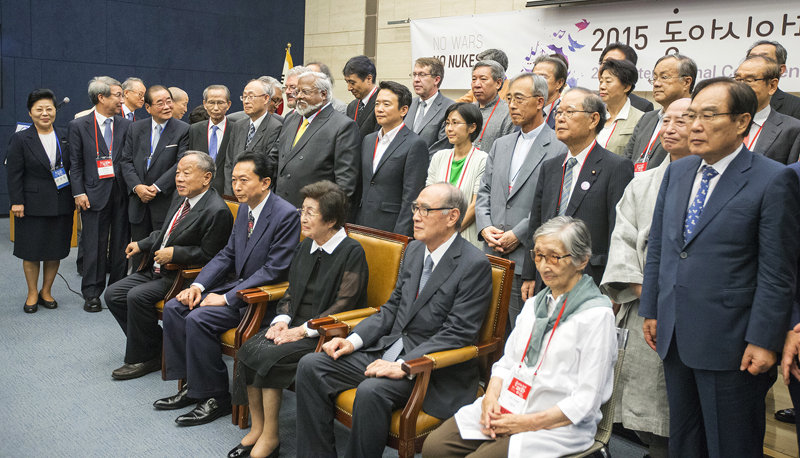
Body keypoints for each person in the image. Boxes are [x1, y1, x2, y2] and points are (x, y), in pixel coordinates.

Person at [639, 77, 800, 458]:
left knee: (731, 445)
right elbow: (660, 246)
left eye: (708, 115)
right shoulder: (678, 171)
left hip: (733, 344)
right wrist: (651, 308)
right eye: (692, 114)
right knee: (684, 440)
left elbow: (778, 272)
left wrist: (763, 339)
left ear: (742, 121)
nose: (694, 125)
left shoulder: (772, 179)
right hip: (675, 334)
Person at [295, 183, 493, 458]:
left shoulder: (473, 264)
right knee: (311, 365)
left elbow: (458, 333)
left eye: (425, 209)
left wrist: (404, 365)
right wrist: (352, 341)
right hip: (388, 349)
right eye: (415, 208)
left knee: (371, 391)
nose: (415, 216)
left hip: (430, 368)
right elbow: (391, 309)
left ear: (452, 217)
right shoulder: (414, 251)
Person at [422, 216, 617, 458]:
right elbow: (506, 363)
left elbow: (587, 399)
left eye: (555, 257)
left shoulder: (596, 315)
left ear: (582, 261)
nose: (544, 266)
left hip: (554, 423)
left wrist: (524, 423)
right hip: (510, 403)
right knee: (435, 448)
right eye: (539, 256)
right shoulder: (535, 305)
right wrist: (490, 398)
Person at [156, 151, 300, 427]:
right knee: (176, 306)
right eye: (233, 180)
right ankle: (193, 386)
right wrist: (198, 285)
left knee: (198, 318)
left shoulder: (285, 215)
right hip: (238, 287)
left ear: (265, 182)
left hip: (262, 300)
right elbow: (227, 254)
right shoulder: (245, 207)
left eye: (244, 180)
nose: (236, 186)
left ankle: (215, 397)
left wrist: (225, 298)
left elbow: (274, 270)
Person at [228, 180, 369, 458]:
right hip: (294, 326)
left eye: (310, 213)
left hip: (325, 334)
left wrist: (302, 331)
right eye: (302, 210)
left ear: (330, 220)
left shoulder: (352, 252)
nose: (301, 218)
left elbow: (345, 304)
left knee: (269, 359)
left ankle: (270, 438)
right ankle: (258, 428)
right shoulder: (306, 247)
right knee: (247, 349)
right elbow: (291, 291)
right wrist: (282, 318)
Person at [599, 97, 693, 458]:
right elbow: (621, 238)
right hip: (643, 306)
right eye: (665, 121)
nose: (669, 128)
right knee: (642, 403)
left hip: (687, 308)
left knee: (678, 408)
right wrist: (645, 290)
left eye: (681, 121)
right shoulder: (643, 183)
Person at [104, 152, 233, 380]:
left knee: (136, 297)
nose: (179, 179)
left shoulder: (217, 210)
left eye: (186, 173)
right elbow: (165, 232)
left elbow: (212, 255)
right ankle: (156, 348)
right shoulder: (180, 197)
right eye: (177, 173)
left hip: (182, 275)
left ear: (206, 177)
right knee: (113, 294)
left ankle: (141, 358)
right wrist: (142, 243)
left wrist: (176, 253)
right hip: (156, 268)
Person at [520, 88, 634, 300]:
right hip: (546, 278)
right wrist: (529, 273)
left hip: (589, 280)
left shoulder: (616, 167)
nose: (560, 118)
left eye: (569, 112)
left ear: (593, 120)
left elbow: (617, 232)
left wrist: (613, 290)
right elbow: (536, 224)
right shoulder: (551, 167)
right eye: (558, 113)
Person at [475, 73, 567, 329]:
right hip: (490, 251)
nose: (512, 105)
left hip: (525, 255)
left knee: (521, 329)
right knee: (484, 327)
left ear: (540, 102)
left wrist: (517, 234)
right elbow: (485, 190)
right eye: (509, 98)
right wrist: (484, 227)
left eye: (519, 99)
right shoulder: (501, 144)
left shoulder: (558, 146)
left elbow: (552, 205)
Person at [69, 76, 132, 312]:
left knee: (120, 245)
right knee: (94, 245)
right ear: (101, 97)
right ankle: (92, 294)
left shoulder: (126, 125)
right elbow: (75, 164)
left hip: (122, 194)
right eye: (117, 95)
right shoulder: (79, 125)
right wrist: (78, 193)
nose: (121, 99)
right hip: (92, 194)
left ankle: (115, 292)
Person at [7, 89, 74, 313]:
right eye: (39, 110)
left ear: (55, 111)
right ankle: (32, 293)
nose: (45, 113)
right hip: (32, 204)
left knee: (55, 250)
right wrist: (17, 201)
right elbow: (14, 173)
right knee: (31, 251)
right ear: (30, 113)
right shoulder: (20, 138)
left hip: (61, 201)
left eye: (49, 109)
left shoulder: (65, 135)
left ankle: (46, 290)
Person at [120, 85, 190, 270]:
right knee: (138, 251)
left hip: (165, 201)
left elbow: (180, 164)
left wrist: (156, 187)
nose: (167, 106)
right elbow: (125, 161)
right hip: (138, 200)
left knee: (162, 250)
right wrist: (138, 187)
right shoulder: (135, 128)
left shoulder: (183, 129)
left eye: (169, 101)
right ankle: (135, 290)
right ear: (148, 107)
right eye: (160, 103)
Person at [269, 71, 360, 208]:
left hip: (314, 212)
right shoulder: (291, 119)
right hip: (280, 207)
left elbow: (345, 183)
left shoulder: (343, 126)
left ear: (323, 95)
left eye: (305, 91)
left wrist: (327, 215)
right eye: (297, 91)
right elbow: (274, 160)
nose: (298, 96)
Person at [354, 80, 428, 236]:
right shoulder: (368, 140)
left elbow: (411, 197)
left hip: (391, 228)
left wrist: (400, 236)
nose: (379, 109)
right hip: (362, 223)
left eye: (386, 104)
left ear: (403, 110)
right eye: (377, 104)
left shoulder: (415, 144)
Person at [430, 103, 489, 249]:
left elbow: (475, 205)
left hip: (465, 236)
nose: (449, 128)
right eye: (448, 123)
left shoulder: (482, 159)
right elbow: (429, 197)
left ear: (472, 127)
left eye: (455, 123)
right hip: (436, 233)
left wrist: (450, 234)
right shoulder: (439, 157)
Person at [623, 53, 696, 170]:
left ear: (686, 82)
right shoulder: (646, 119)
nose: (656, 83)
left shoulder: (696, 119)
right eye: (655, 78)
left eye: (664, 77)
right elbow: (627, 159)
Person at [734, 55, 800, 164]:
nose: (740, 86)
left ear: (772, 86)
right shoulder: (719, 122)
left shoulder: (793, 129)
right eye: (738, 79)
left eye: (749, 80)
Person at [223, 79, 283, 195]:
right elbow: (229, 163)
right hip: (234, 195)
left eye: (251, 96)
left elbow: (270, 167)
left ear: (266, 98)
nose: (246, 101)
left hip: (257, 195)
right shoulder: (238, 125)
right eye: (244, 97)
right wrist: (229, 194)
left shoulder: (276, 128)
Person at [404, 57, 455, 157]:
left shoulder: (450, 108)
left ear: (436, 80)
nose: (416, 80)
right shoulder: (408, 104)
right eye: (414, 75)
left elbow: (441, 148)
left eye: (422, 75)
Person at [188, 85, 233, 195]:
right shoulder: (194, 129)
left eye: (221, 103)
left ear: (228, 105)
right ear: (205, 104)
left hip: (225, 191)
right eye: (211, 102)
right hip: (198, 189)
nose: (216, 107)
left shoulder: (236, 129)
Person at [597, 59, 645, 156]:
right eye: (601, 81)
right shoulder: (593, 116)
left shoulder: (641, 119)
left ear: (626, 87)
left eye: (608, 81)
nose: (602, 86)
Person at [747, 40, 800, 120]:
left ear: (781, 69)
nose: (756, 62)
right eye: (751, 57)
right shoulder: (731, 101)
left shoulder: (796, 106)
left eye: (764, 58)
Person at [471, 60, 513, 152]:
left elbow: (506, 152)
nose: (477, 84)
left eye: (483, 79)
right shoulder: (466, 110)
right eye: (474, 79)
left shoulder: (509, 113)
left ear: (498, 83)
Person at [599, 42, 654, 112]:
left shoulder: (641, 107)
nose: (608, 68)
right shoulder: (589, 102)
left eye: (616, 64)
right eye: (605, 63)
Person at [344, 55, 380, 138]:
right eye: (347, 82)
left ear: (368, 79)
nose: (349, 88)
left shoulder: (382, 104)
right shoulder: (352, 106)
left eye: (352, 83)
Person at [532, 55, 568, 129]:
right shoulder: (524, 110)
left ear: (559, 83)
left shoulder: (566, 116)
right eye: (534, 76)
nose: (536, 81)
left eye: (543, 77)